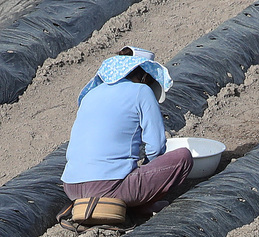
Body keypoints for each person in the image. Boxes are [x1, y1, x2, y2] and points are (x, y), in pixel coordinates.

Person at [62, 46, 192, 217]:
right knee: (183, 157)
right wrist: (148, 169)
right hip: (109, 188)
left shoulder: (90, 95)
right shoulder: (141, 91)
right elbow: (156, 146)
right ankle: (141, 207)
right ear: (145, 75)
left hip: (71, 188)